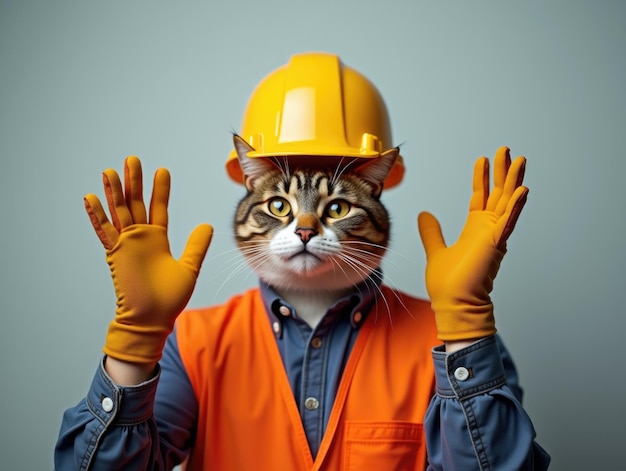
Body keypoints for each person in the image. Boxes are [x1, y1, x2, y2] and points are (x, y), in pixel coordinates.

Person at [55, 52, 550, 470]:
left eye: (337, 207)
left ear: (377, 193)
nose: (307, 228)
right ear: (247, 187)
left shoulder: (454, 342)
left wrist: (465, 326)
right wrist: (134, 342)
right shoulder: (194, 343)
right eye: (279, 207)